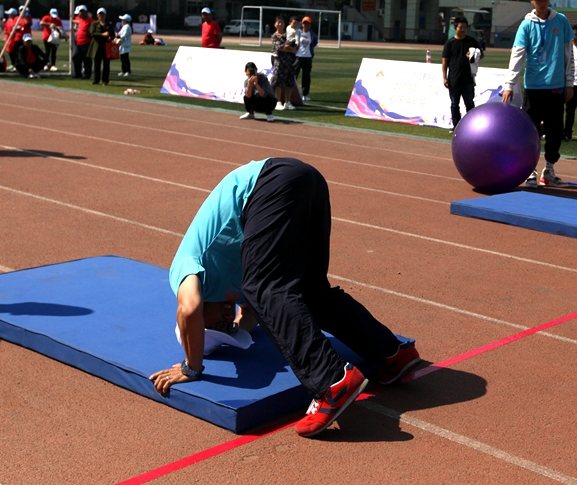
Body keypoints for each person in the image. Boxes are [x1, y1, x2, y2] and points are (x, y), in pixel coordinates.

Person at [149, 158, 422, 438]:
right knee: (310, 291)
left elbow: (189, 309)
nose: (225, 322)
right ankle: (391, 353)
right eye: (226, 327)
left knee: (263, 287)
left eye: (216, 325)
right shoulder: (231, 291)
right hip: (304, 179)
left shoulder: (185, 268)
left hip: (268, 184)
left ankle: (332, 381)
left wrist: (191, 368)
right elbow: (256, 314)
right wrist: (241, 329)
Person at [501, 0, 575, 186]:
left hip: (556, 85)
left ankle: (549, 170)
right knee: (530, 131)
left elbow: (569, 53)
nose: (543, 2)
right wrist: (509, 84)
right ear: (531, 1)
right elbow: (517, 54)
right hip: (533, 87)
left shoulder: (561, 21)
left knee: (554, 131)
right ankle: (529, 170)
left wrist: (570, 82)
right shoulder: (526, 25)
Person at [442, 15, 481, 128]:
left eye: (465, 27)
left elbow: (481, 55)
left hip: (468, 78)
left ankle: (471, 125)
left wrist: (473, 55)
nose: (463, 29)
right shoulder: (450, 43)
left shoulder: (471, 41)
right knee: (455, 104)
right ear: (455, 28)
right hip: (454, 79)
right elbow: (445, 61)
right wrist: (444, 77)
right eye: (460, 27)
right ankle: (456, 125)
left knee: (469, 103)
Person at [270, 15, 298, 110]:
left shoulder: (288, 35)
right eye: (278, 22)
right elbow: (281, 48)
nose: (280, 24)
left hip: (290, 62)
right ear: (275, 24)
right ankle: (277, 101)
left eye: (282, 22)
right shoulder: (274, 36)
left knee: (290, 82)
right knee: (279, 82)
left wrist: (292, 48)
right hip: (280, 62)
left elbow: (295, 44)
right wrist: (292, 50)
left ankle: (287, 102)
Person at [87, 7, 114, 86]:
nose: (101, 16)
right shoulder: (94, 24)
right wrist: (102, 35)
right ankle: (96, 79)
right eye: (100, 14)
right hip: (97, 46)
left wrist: (110, 37)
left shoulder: (109, 25)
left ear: (105, 15)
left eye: (102, 14)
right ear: (97, 15)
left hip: (106, 47)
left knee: (106, 65)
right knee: (97, 64)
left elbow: (112, 34)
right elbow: (92, 33)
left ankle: (105, 80)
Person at [296, 16, 316, 102]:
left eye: (308, 23)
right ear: (302, 24)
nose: (306, 25)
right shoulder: (298, 32)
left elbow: (314, 42)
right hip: (298, 57)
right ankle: (294, 93)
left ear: (310, 24)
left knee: (306, 77)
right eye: (304, 23)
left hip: (308, 57)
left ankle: (305, 94)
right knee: (294, 75)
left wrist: (310, 51)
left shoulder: (311, 34)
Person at [72, 5, 93, 80]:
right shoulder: (81, 20)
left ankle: (87, 75)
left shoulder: (90, 20)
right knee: (75, 57)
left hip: (86, 43)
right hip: (79, 43)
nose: (79, 14)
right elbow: (76, 21)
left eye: (81, 12)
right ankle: (78, 74)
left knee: (86, 59)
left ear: (85, 12)